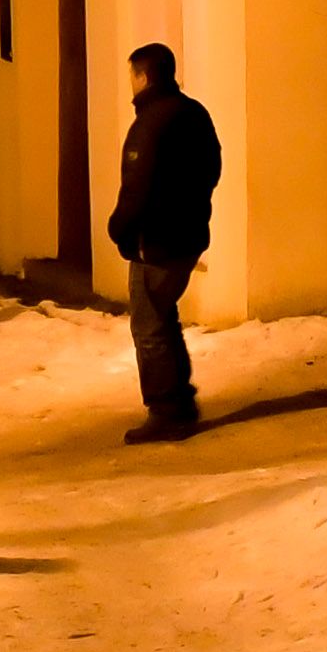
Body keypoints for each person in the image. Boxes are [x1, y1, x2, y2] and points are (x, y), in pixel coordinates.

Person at [107, 41, 222, 442]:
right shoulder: (195, 114)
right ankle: (180, 398)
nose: (131, 84)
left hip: (154, 242)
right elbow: (212, 167)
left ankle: (165, 409)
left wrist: (118, 228)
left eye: (132, 76)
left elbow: (135, 189)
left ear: (143, 76)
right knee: (164, 314)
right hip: (189, 237)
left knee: (149, 325)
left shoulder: (150, 123)